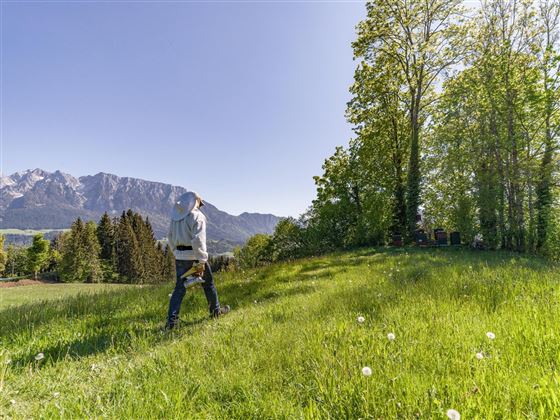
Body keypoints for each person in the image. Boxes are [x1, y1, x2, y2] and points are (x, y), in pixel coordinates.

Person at [165, 191, 230, 329]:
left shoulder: (175, 218)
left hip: (180, 257)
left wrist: (176, 252)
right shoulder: (197, 216)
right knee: (208, 284)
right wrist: (201, 260)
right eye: (200, 204)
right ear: (196, 202)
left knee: (179, 289)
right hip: (195, 257)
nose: (200, 206)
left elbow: (170, 237)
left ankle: (171, 323)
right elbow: (198, 241)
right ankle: (215, 312)